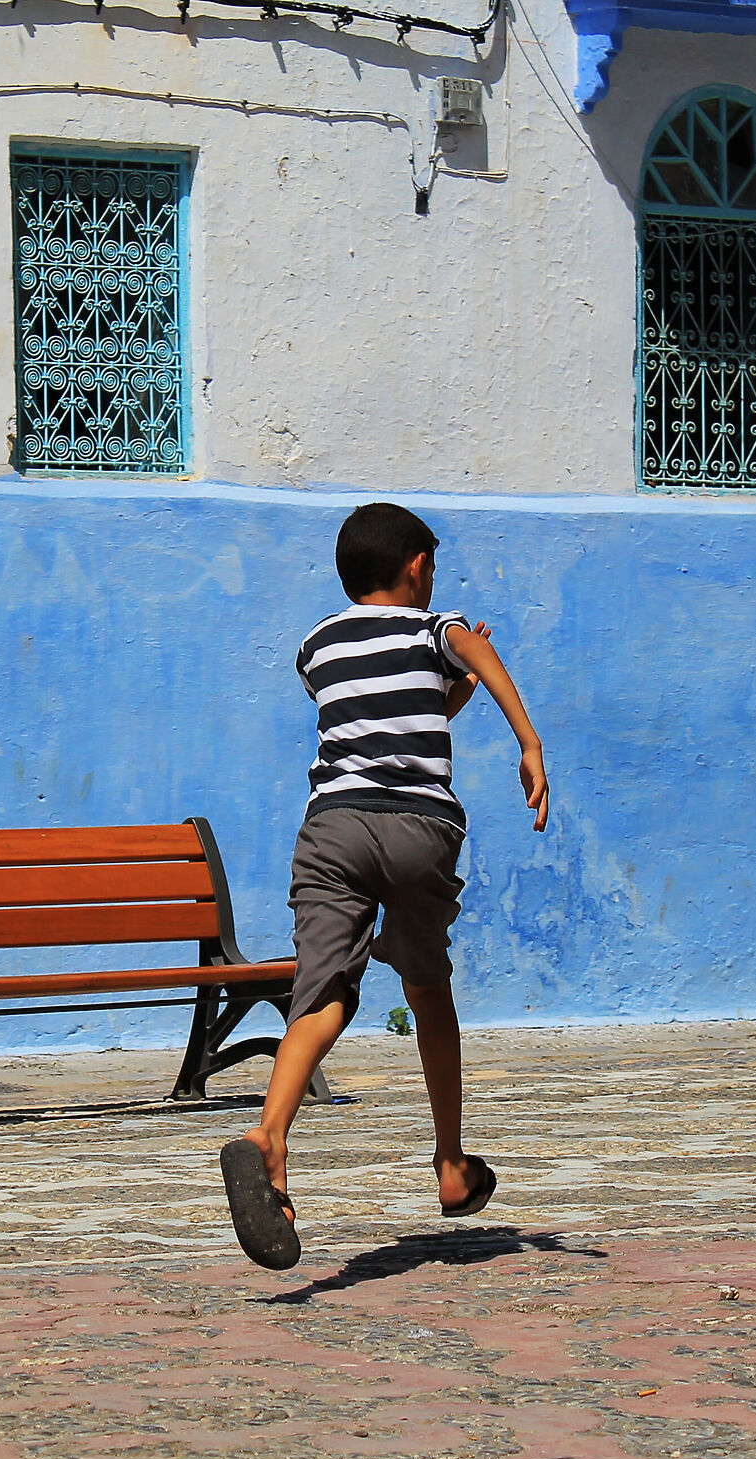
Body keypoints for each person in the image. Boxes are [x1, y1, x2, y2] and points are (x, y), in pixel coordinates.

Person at [220, 502, 549, 1270]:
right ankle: (449, 1164)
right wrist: (527, 741)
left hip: (332, 829)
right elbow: (463, 662)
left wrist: (448, 687)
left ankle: (267, 1137)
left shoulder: (317, 646)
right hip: (417, 829)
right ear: (416, 568)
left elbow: (395, 714)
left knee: (323, 991)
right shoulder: (437, 627)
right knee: (428, 987)